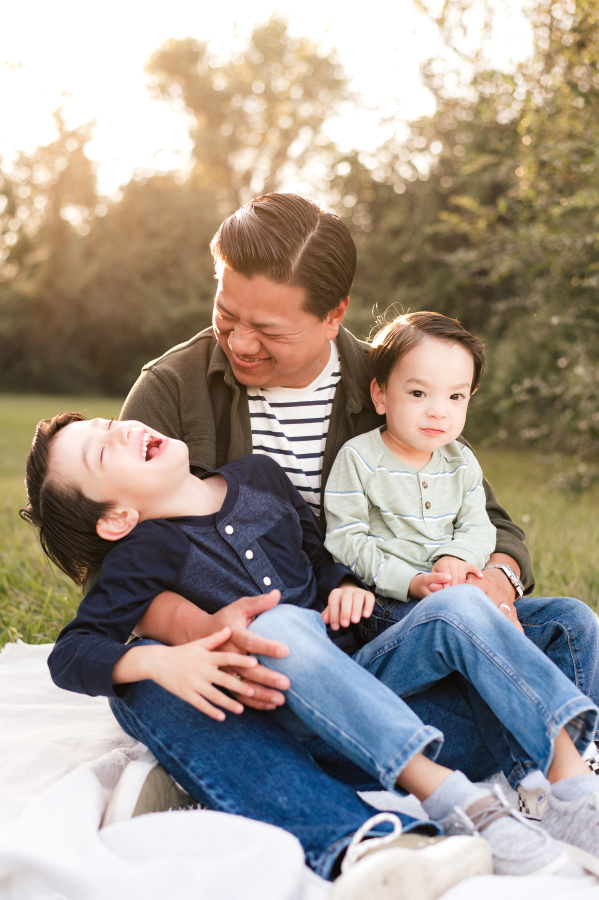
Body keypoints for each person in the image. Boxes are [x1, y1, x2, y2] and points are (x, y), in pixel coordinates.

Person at [118, 192, 599, 816]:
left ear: (333, 314)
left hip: (386, 638)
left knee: (568, 624)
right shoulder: (170, 392)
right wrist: (207, 629)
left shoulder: (390, 378)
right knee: (147, 678)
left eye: (269, 331)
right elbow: (111, 563)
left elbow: (491, 520)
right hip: (265, 660)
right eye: (226, 313)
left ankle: (271, 760)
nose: (239, 343)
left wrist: (492, 591)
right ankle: (434, 751)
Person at [20, 411, 599, 879]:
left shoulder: (259, 476)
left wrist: (344, 586)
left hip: (372, 666)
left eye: (104, 423)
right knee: (279, 629)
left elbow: (321, 558)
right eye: (102, 452)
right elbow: (72, 651)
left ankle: (570, 789)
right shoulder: (141, 556)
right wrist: (161, 658)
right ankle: (459, 804)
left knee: (506, 613)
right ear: (117, 518)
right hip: (302, 719)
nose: (119, 429)